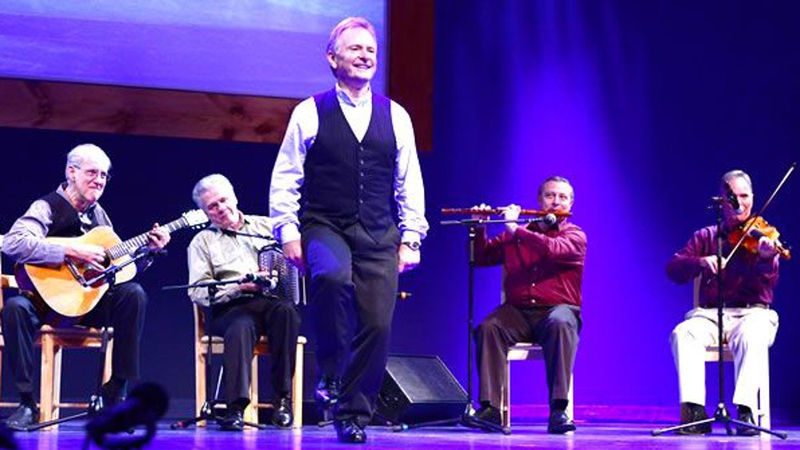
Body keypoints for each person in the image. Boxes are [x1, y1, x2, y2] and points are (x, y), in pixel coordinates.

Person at [269, 17, 428, 443]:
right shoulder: (310, 111)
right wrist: (287, 230)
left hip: (379, 232)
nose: (365, 56)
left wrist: (411, 237)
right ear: (332, 57)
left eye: (370, 50)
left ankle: (354, 413)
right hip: (325, 225)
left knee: (377, 323)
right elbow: (287, 176)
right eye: (355, 48)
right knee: (330, 277)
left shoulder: (395, 116)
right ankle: (333, 373)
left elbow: (408, 180)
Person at [1, 143, 170, 430]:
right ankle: (27, 403)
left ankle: (116, 390)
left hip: (84, 304)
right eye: (92, 172)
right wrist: (70, 252)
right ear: (71, 172)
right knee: (15, 308)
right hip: (43, 305)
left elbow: (120, 269)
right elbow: (11, 243)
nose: (99, 180)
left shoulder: (99, 217)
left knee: (133, 295)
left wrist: (149, 252)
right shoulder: (46, 207)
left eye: (104, 175)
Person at [668, 170, 781, 436]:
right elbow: (673, 270)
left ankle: (745, 408)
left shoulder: (763, 237)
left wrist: (766, 259)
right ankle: (694, 411)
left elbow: (767, 286)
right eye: (733, 197)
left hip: (753, 313)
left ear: (752, 198)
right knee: (683, 333)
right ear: (721, 200)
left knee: (753, 333)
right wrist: (700, 262)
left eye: (744, 196)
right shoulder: (706, 237)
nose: (739, 203)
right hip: (710, 315)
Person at [471, 176, 586, 434]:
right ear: (539, 200)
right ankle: (491, 409)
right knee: (489, 326)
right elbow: (480, 258)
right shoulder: (518, 234)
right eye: (549, 195)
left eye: (562, 197)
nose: (555, 202)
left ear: (571, 203)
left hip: (558, 310)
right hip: (518, 313)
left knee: (560, 322)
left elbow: (553, 249)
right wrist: (481, 228)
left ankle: (558, 410)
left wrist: (516, 231)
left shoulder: (575, 235)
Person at [187, 174, 300, 431]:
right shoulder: (202, 242)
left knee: (286, 312)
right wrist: (238, 286)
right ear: (205, 213)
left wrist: (278, 273)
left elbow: (295, 261)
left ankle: (282, 401)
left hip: (269, 301)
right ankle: (234, 408)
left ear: (234, 197)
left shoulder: (269, 227)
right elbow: (197, 291)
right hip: (230, 307)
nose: (221, 209)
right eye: (212, 207)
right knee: (240, 326)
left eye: (223, 200)